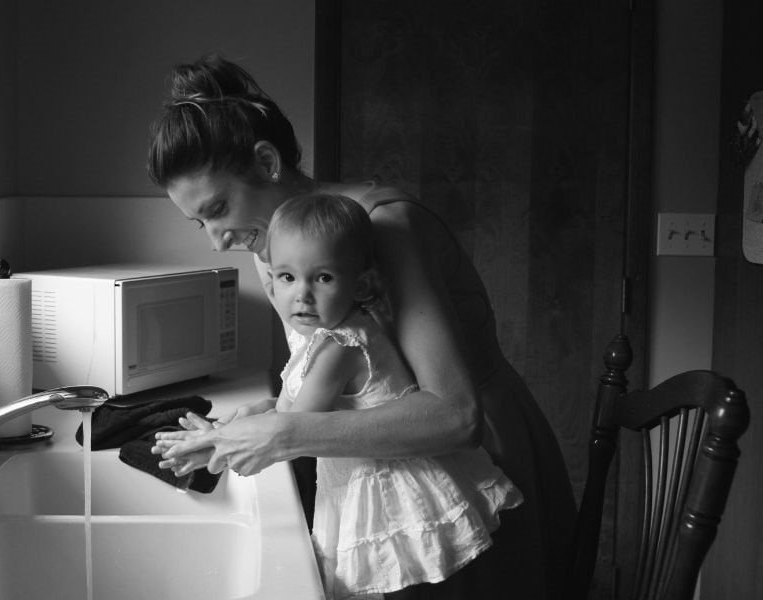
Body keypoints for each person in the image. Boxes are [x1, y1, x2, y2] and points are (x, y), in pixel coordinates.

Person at [148, 54, 576, 599]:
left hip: (476, 470)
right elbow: (343, 376)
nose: (215, 238)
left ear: (265, 160)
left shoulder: (385, 227)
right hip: (381, 478)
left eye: (219, 208)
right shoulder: (273, 248)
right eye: (199, 222)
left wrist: (283, 434)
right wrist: (245, 424)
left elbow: (454, 414)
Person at [264, 192, 523, 599]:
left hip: (390, 494)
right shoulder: (334, 331)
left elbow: (295, 426)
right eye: (286, 277)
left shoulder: (339, 346)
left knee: (394, 584)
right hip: (383, 481)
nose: (302, 294)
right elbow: (287, 407)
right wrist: (252, 412)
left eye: (323, 277)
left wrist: (220, 435)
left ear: (361, 283)